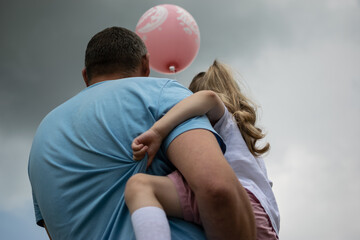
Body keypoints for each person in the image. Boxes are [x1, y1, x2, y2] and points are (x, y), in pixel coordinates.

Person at [28, 27, 256, 239]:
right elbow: (217, 189)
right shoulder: (162, 95)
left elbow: (52, 230)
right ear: (146, 65)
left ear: (86, 75)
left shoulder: (41, 138)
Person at [125, 61, 280, 240]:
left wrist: (158, 130)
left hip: (238, 200)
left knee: (141, 187)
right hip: (264, 222)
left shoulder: (225, 120)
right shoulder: (248, 146)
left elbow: (209, 98)